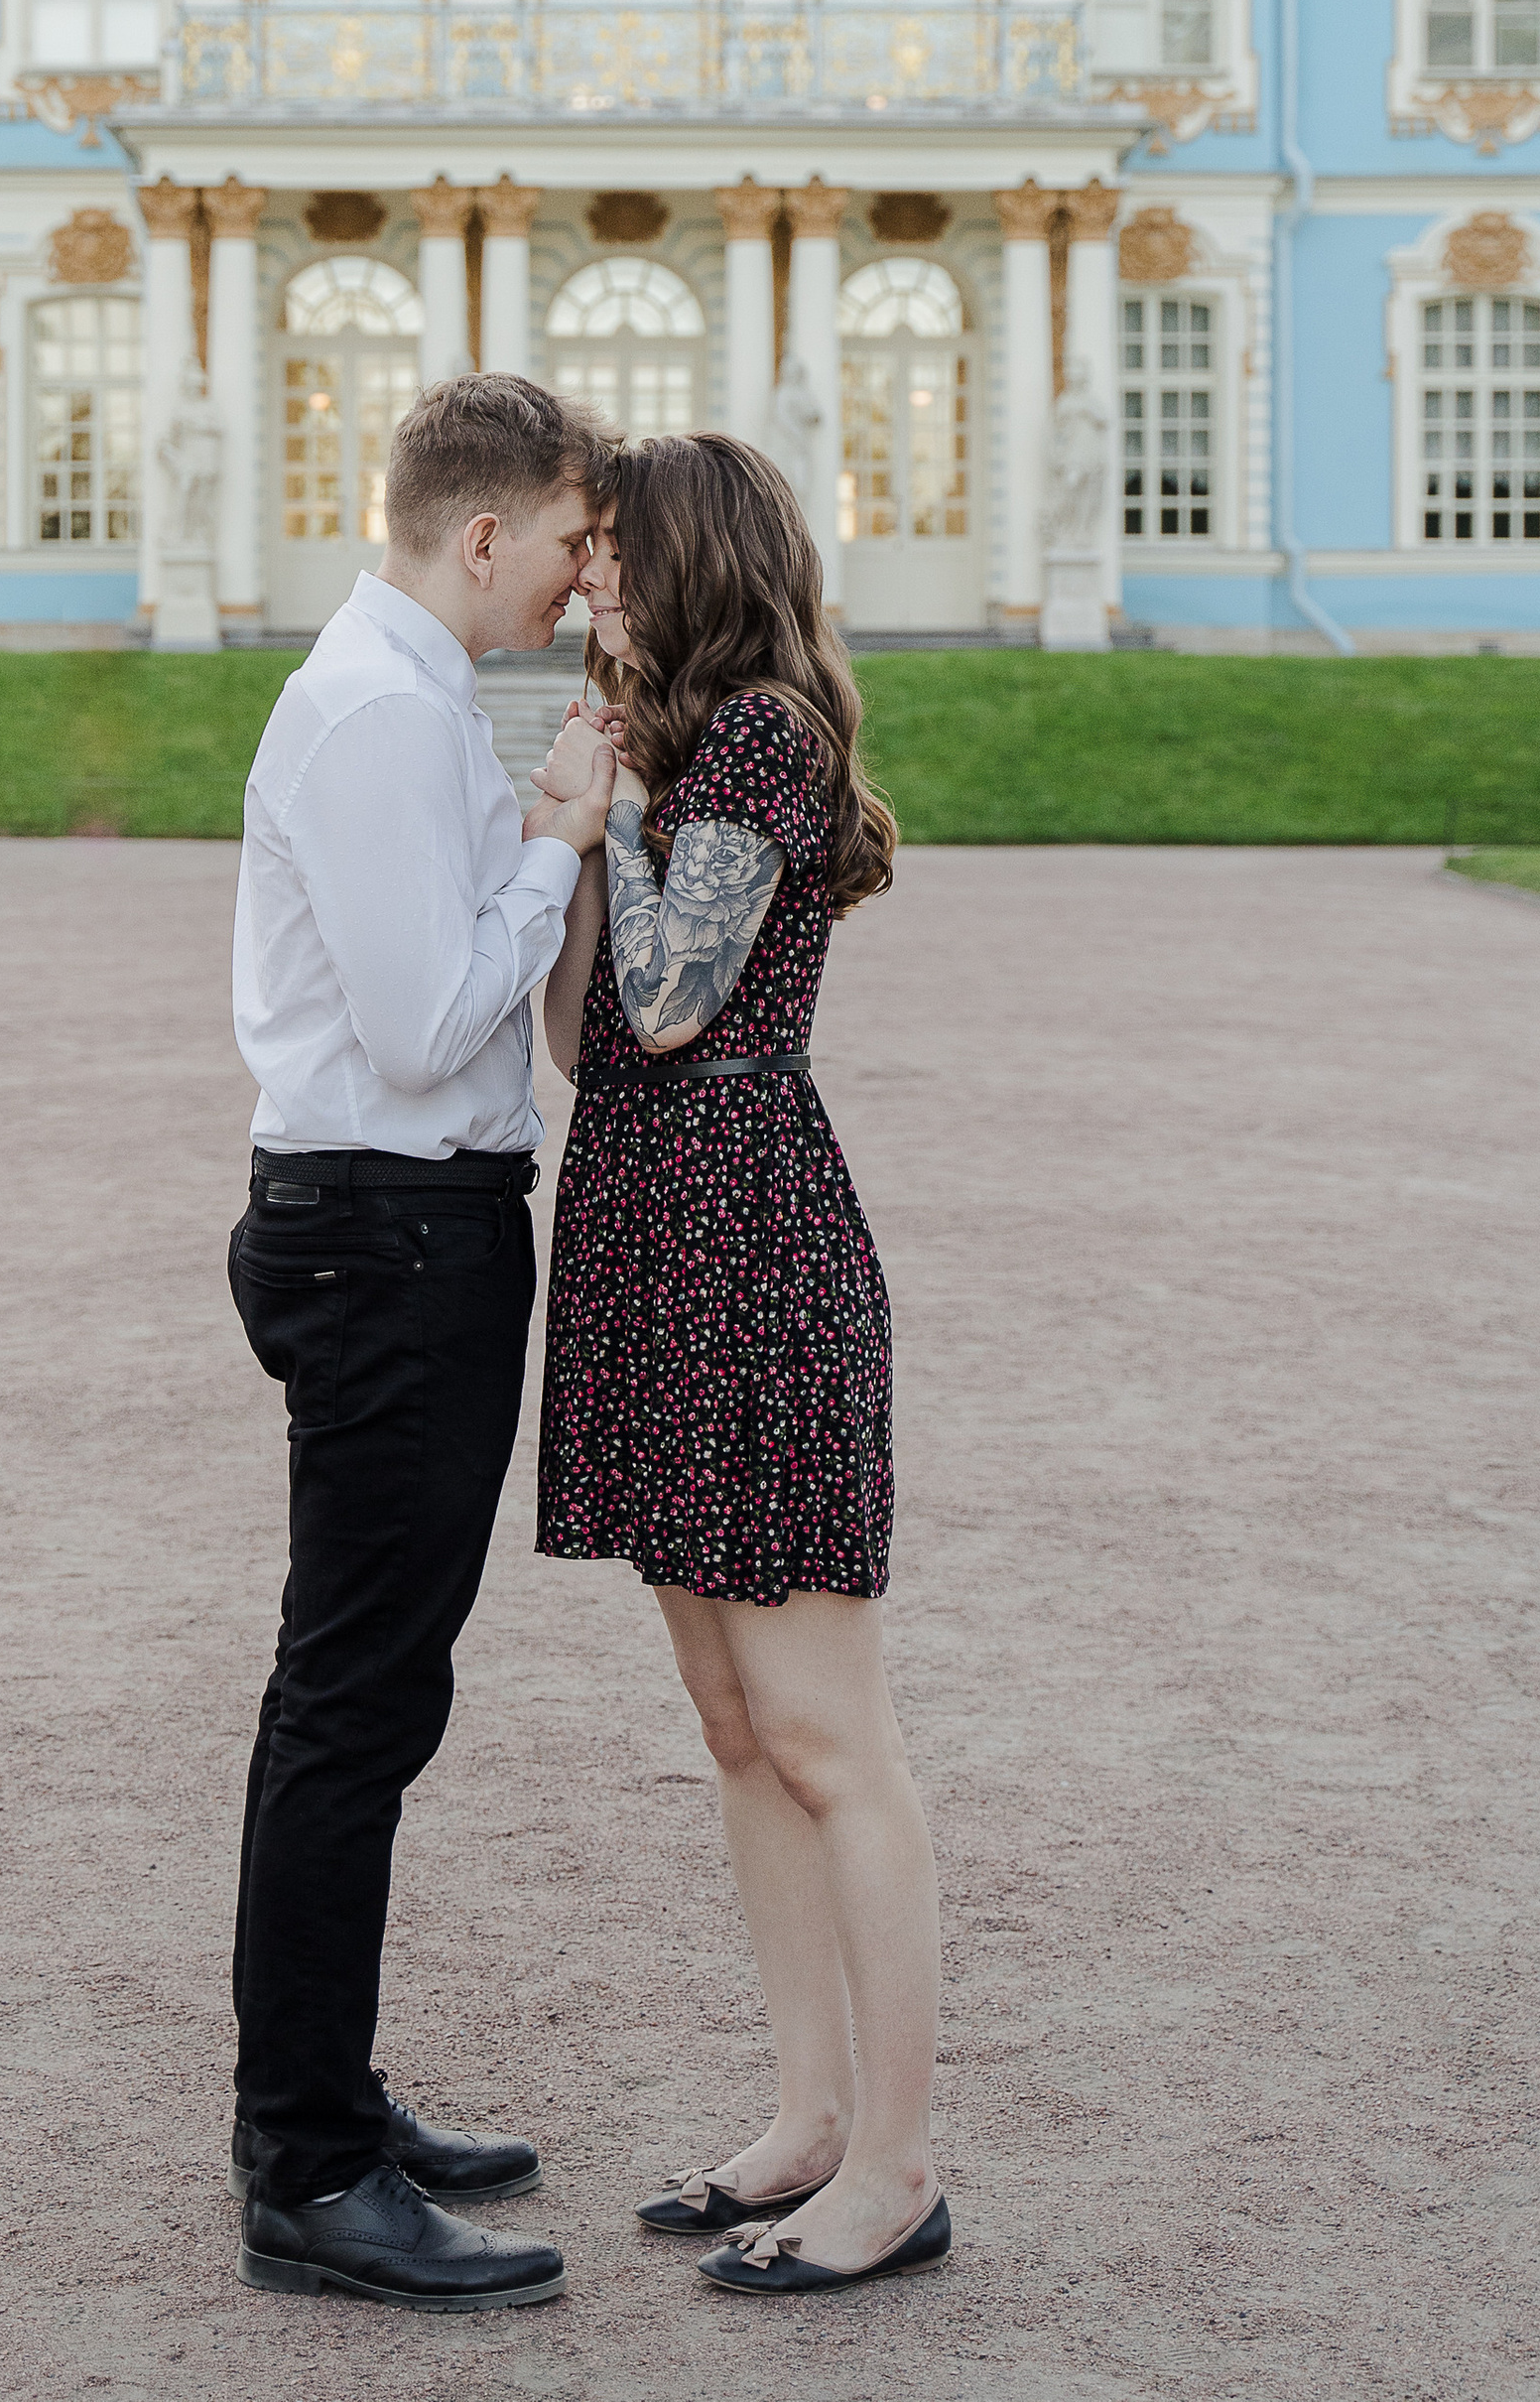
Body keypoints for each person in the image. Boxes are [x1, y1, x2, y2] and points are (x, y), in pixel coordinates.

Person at [532, 431, 950, 2304]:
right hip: (644, 1222)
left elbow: (677, 1004)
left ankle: (895, 2167)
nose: (586, 580)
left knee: (824, 1735)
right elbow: (578, 1037)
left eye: (612, 554)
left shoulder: (765, 734)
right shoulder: (680, 753)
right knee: (729, 1724)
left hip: (750, 1242)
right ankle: (799, 2121)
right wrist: (582, 835)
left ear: (689, 563)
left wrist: (594, 813)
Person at [225, 371, 620, 2315]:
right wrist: (556, 849)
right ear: (483, 535)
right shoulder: (385, 714)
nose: (573, 582)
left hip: (400, 1236)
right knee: (355, 1703)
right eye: (564, 544)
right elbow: (420, 1020)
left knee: (363, 1695)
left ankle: (325, 2109)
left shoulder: (407, 693)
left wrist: (533, 834)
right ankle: (304, 2164)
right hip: (386, 1241)